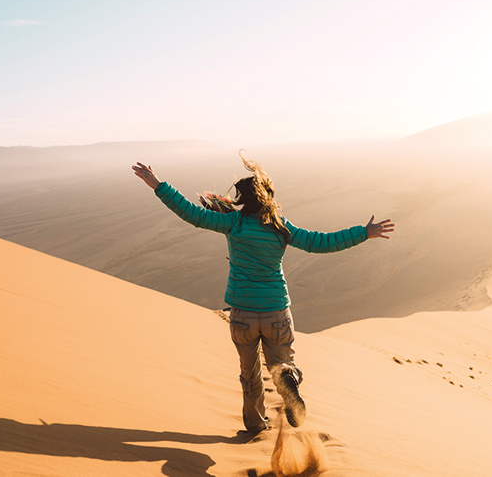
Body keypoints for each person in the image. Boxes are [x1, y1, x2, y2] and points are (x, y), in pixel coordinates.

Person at [132, 155, 394, 433]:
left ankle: (256, 425)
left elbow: (191, 214)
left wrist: (158, 185)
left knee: (250, 374)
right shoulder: (281, 227)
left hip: (243, 314)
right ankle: (286, 376)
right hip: (276, 312)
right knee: (282, 363)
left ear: (244, 199)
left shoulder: (233, 223)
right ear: (268, 197)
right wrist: (363, 233)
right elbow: (321, 242)